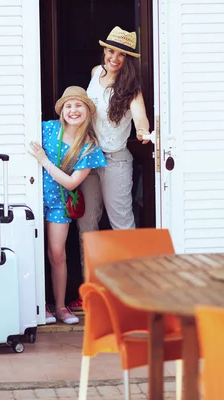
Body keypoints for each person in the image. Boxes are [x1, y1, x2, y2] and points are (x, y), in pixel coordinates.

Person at [72, 26, 152, 311]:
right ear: (104, 50)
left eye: (121, 54)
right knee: (87, 225)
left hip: (116, 159)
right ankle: (89, 291)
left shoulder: (131, 88)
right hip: (89, 159)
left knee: (121, 225)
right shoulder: (95, 73)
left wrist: (144, 132)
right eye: (111, 51)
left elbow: (141, 119)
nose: (114, 58)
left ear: (128, 59)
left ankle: (129, 293)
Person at [29, 86, 107, 325]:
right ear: (62, 111)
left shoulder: (89, 146)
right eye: (69, 106)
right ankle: (38, 306)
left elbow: (72, 183)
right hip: (31, 197)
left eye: (78, 106)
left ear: (87, 111)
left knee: (57, 254)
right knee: (30, 252)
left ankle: (60, 306)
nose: (73, 110)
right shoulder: (46, 128)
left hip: (59, 203)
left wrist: (43, 161)